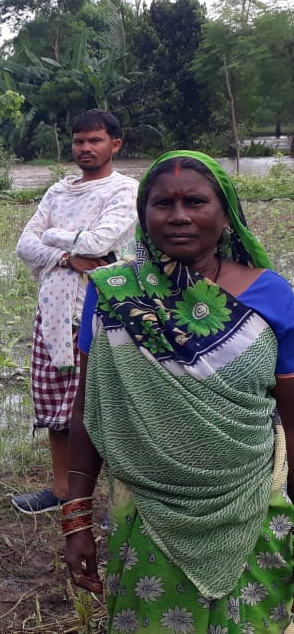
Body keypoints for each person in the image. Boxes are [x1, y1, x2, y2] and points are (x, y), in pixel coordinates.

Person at [64, 151, 294, 632]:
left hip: (255, 506)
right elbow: (88, 408)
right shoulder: (112, 292)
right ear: (143, 215)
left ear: (225, 213)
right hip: (149, 512)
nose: (180, 215)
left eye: (195, 200)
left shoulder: (272, 295)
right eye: (162, 203)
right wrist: (77, 521)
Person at [12, 109, 137, 515]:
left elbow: (102, 241)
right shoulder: (58, 192)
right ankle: (63, 490)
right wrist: (68, 256)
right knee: (56, 403)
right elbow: (23, 245)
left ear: (115, 144)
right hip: (53, 310)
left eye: (95, 140)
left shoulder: (124, 191)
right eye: (79, 141)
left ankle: (121, 500)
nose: (85, 148)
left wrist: (52, 236)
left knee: (109, 404)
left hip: (105, 310)